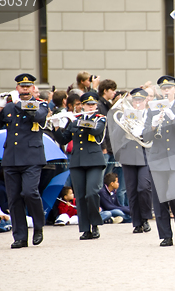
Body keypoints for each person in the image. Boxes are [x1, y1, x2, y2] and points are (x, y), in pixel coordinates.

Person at [0, 73, 48, 249]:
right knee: (14, 199)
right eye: (22, 86)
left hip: (32, 157)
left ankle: (38, 225)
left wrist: (18, 104)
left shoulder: (41, 105)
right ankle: (20, 237)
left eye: (28, 86)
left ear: (33, 88)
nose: (24, 89)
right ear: (17, 88)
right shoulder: (9, 107)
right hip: (12, 158)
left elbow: (36, 117)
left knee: (30, 192)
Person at [144, 75, 175, 247]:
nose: (166, 91)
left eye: (169, 88)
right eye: (163, 88)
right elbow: (146, 136)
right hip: (158, 158)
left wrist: (172, 117)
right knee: (160, 198)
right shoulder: (152, 109)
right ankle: (166, 235)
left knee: (174, 195)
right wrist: (153, 126)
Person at [53, 92, 106, 240]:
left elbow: (96, 130)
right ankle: (85, 228)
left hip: (94, 161)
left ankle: (95, 225)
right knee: (81, 197)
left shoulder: (100, 118)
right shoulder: (75, 119)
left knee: (91, 193)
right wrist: (57, 126)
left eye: (93, 104)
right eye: (88, 104)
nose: (91, 106)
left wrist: (77, 121)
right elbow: (64, 140)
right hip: (77, 162)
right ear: (82, 105)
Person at [109, 88, 153, 233]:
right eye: (135, 100)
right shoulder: (125, 115)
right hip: (128, 155)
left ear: (146, 100)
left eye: (140, 100)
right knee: (132, 190)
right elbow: (115, 137)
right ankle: (137, 222)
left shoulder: (150, 116)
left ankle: (146, 218)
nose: (137, 103)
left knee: (144, 187)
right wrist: (123, 123)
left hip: (145, 154)